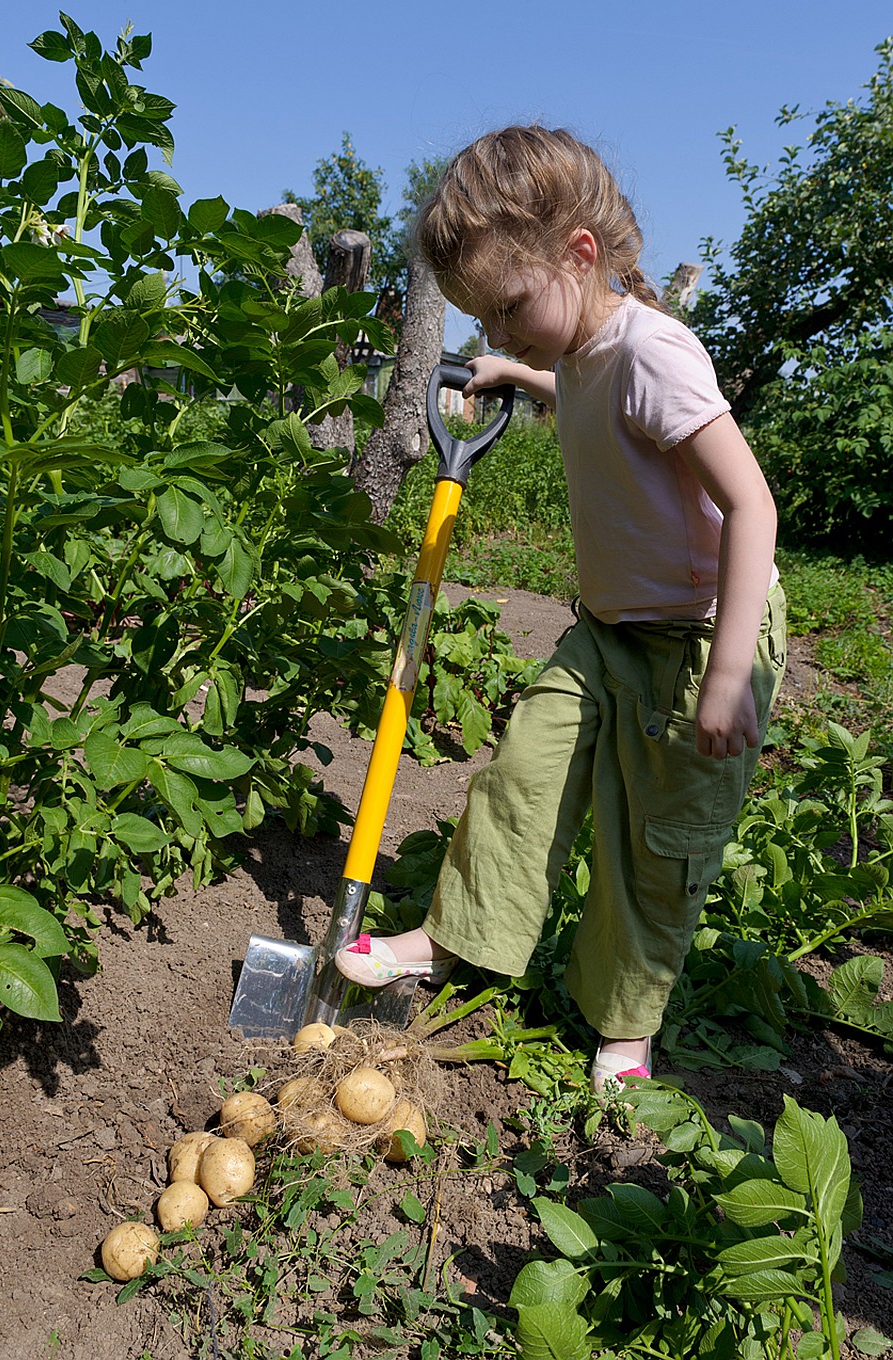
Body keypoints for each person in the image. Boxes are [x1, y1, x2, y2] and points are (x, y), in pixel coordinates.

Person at [335, 125, 786, 1098]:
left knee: (650, 846)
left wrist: (732, 673)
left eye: (504, 313)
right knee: (519, 779)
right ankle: (453, 937)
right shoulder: (579, 351)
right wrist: (521, 375)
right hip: (604, 632)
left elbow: (753, 503)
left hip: (696, 639)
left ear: (579, 254)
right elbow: (580, 382)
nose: (494, 335)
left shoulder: (655, 355)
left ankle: (628, 1025)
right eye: (481, 324)